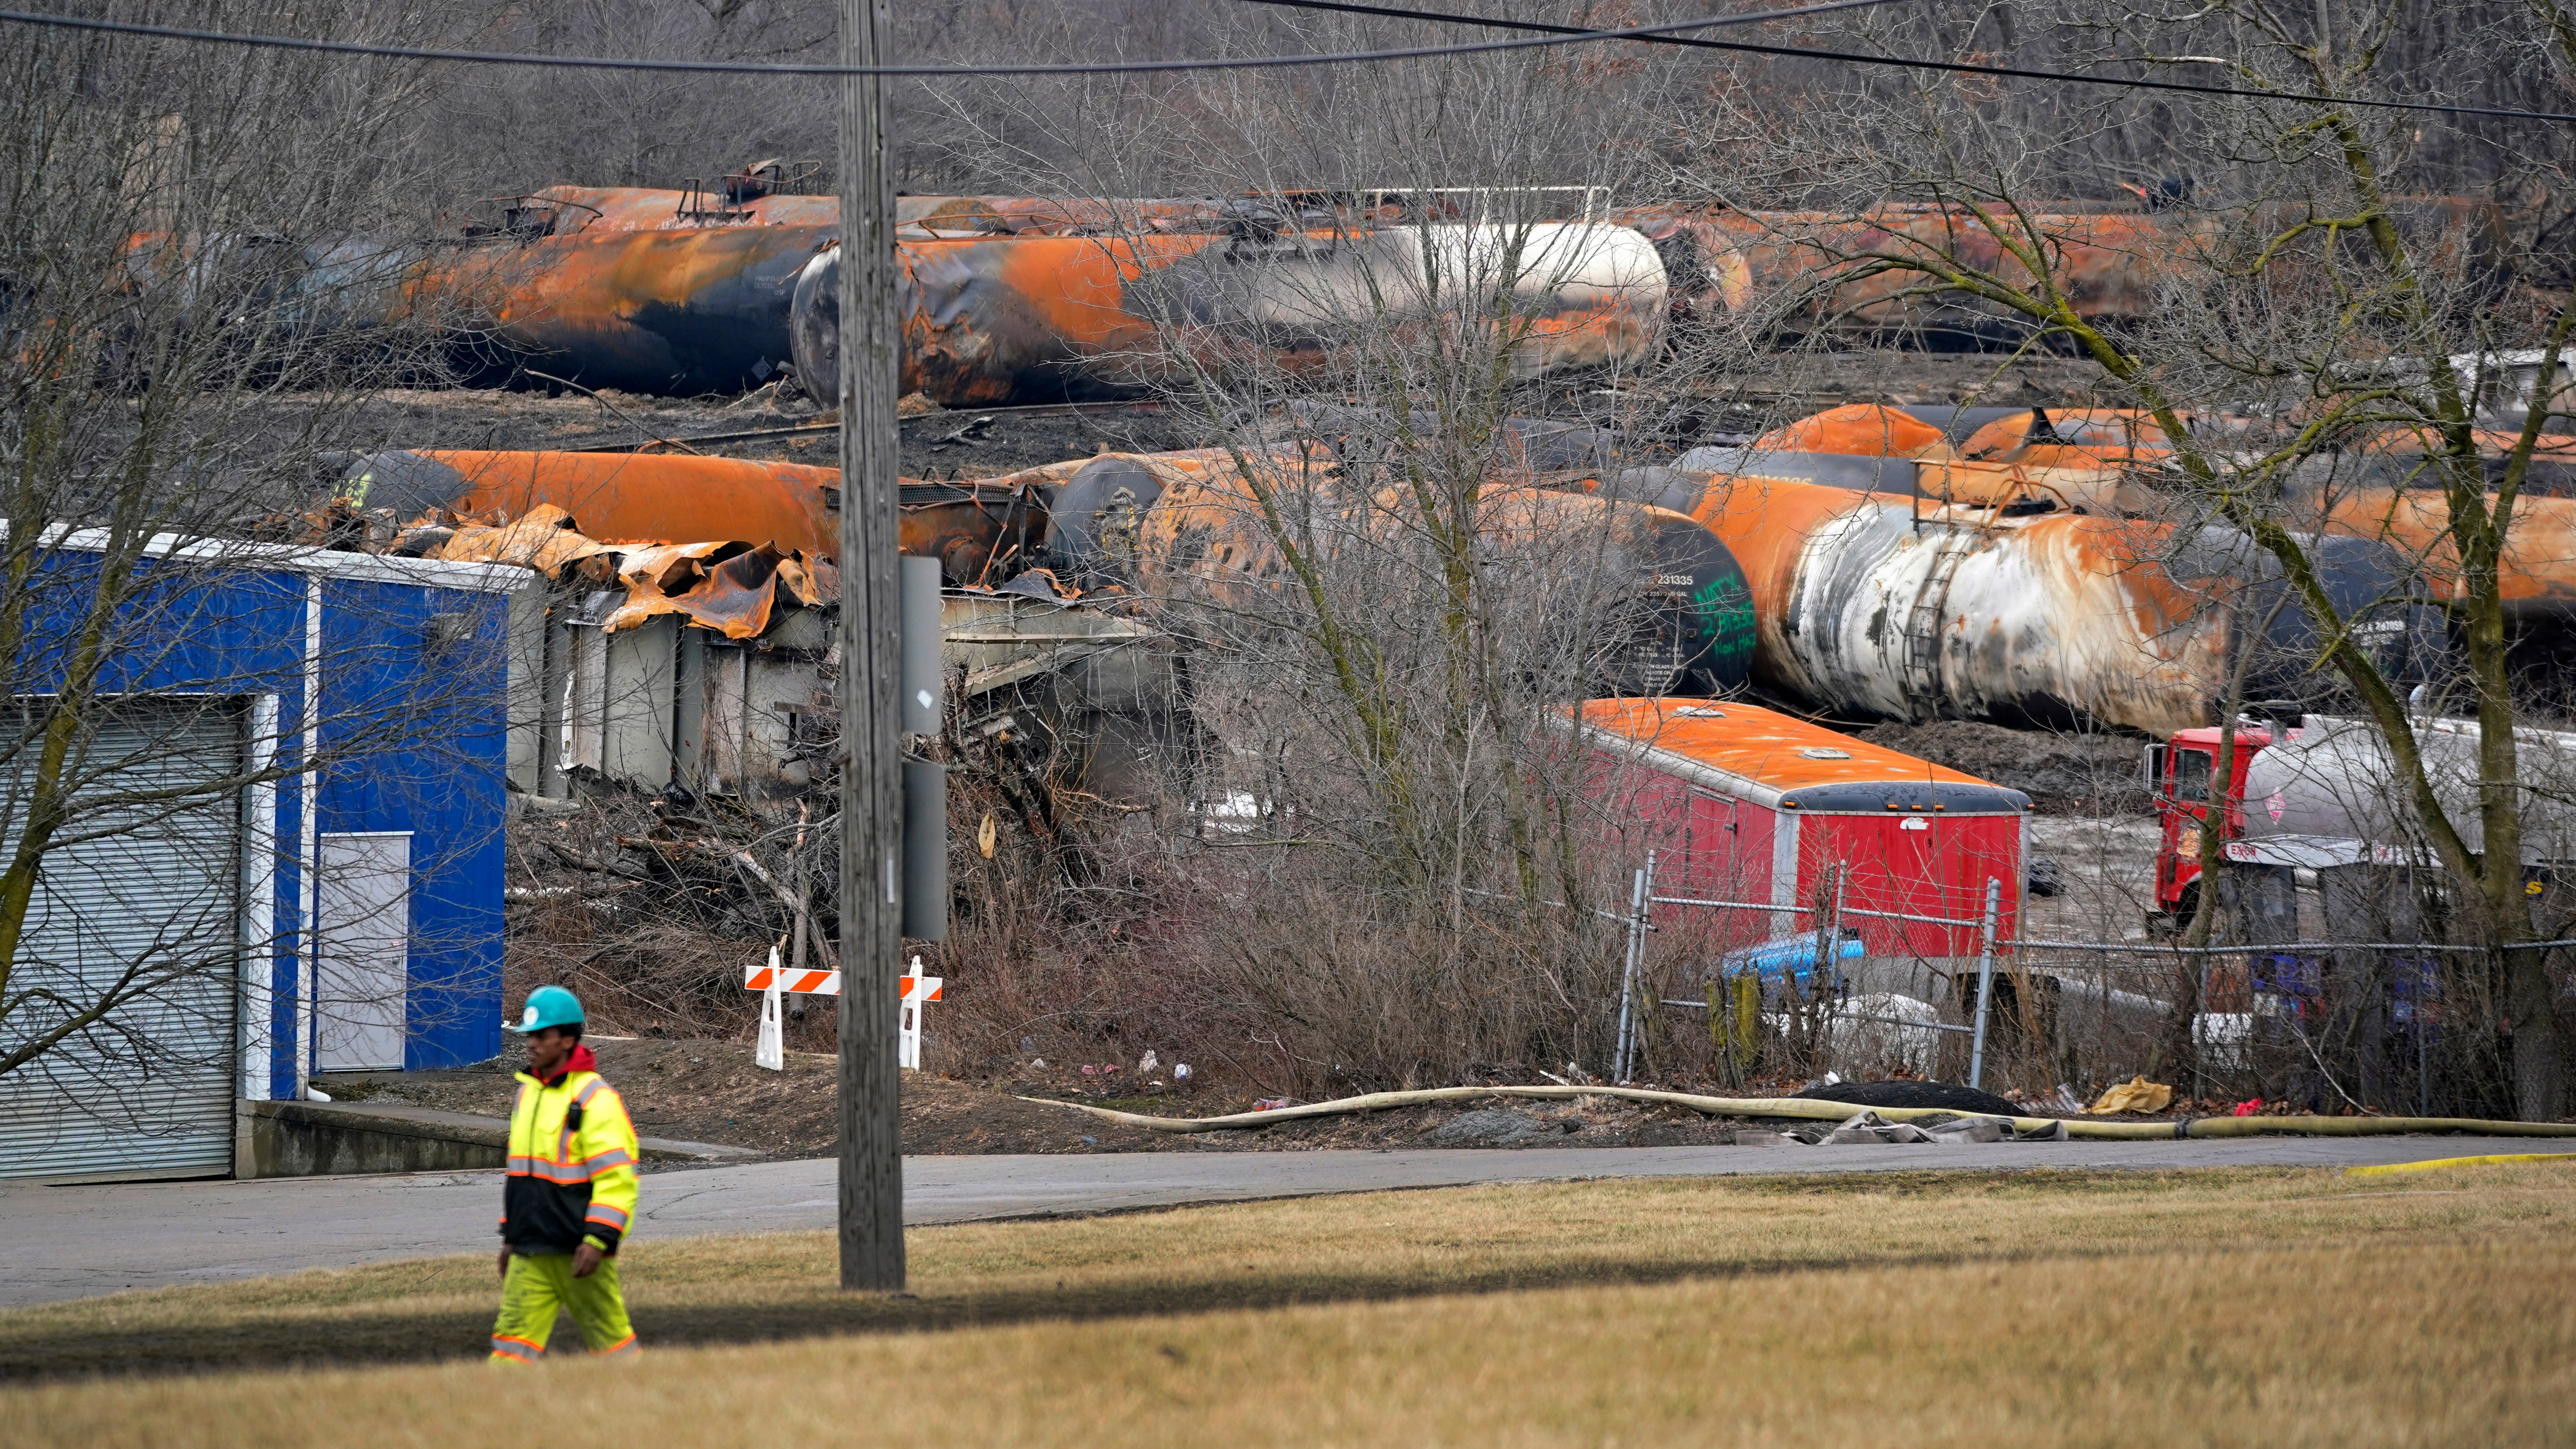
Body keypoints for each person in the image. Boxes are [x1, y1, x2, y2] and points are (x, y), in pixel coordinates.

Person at [487, 985, 642, 1364]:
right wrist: (511, 1236)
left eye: (542, 1036)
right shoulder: (528, 1095)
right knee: (510, 1351)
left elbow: (617, 1179)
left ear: (568, 1039)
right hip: (530, 1251)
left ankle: (643, 1409)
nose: (532, 1044)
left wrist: (599, 1240)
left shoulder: (596, 1099)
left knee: (614, 1350)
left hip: (579, 1251)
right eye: (529, 1036)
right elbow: (520, 1176)